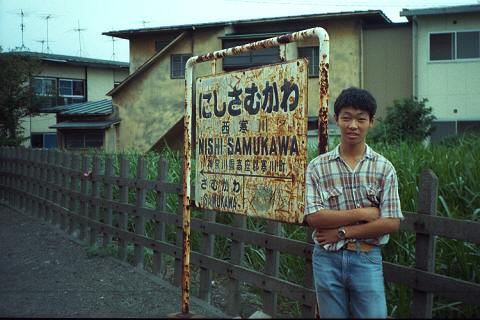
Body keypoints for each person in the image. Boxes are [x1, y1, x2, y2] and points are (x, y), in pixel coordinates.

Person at [304, 87, 404, 318]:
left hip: (367, 257)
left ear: (371, 122)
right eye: (346, 117)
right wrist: (364, 212)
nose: (353, 125)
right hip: (326, 259)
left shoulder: (383, 168)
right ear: (335, 119)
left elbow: (391, 223)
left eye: (361, 119)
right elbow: (314, 217)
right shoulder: (318, 166)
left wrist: (341, 232)